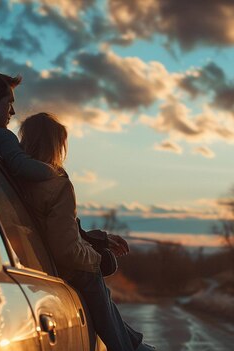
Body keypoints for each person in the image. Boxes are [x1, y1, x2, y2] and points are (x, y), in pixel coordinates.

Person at [18, 112, 155, 351]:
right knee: (96, 283)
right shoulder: (57, 184)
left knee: (106, 303)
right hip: (61, 267)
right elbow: (67, 250)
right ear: (54, 146)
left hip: (35, 260)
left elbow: (57, 227)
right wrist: (96, 258)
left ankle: (135, 344)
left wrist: (98, 239)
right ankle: (130, 347)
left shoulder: (15, 177)